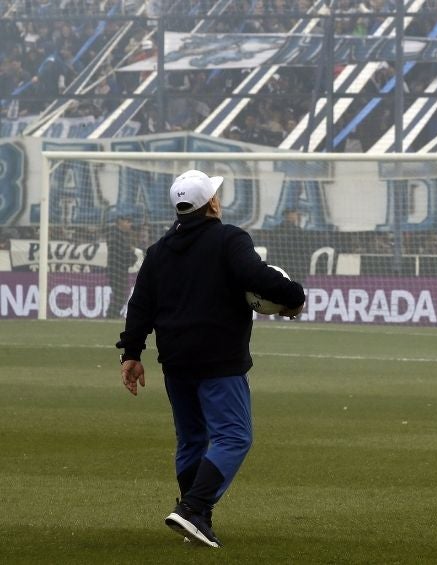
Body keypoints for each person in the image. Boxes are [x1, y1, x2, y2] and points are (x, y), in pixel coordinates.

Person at [115, 170, 305, 548]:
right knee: (234, 436)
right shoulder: (228, 238)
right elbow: (256, 274)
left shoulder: (158, 251)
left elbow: (139, 306)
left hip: (177, 362)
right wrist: (294, 296)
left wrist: (132, 354)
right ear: (211, 204)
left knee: (191, 440)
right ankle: (193, 509)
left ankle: (197, 517)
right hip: (219, 361)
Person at [105, 212, 135, 318]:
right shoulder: (115, 235)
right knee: (119, 295)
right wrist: (131, 255)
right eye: (128, 222)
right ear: (120, 222)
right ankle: (111, 315)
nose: (130, 224)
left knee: (120, 295)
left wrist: (131, 256)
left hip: (121, 269)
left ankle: (112, 315)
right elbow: (120, 253)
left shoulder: (122, 235)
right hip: (116, 270)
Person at [266, 207, 308, 282]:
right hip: (294, 269)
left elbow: (271, 250)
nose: (296, 216)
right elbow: (301, 252)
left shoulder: (275, 229)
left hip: (278, 268)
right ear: (289, 215)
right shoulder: (297, 231)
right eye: (295, 214)